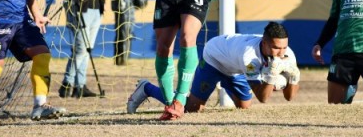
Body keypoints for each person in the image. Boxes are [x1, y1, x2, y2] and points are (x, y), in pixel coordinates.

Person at [126, 21, 300, 114]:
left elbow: (290, 98)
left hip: (235, 67)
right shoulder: (250, 56)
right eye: (276, 47)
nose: (280, 52)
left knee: (245, 107)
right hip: (215, 57)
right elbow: (263, 97)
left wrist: (294, 77)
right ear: (264, 42)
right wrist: (271, 74)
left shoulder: (288, 54)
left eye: (284, 47)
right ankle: (147, 88)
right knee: (191, 108)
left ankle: (225, 83)